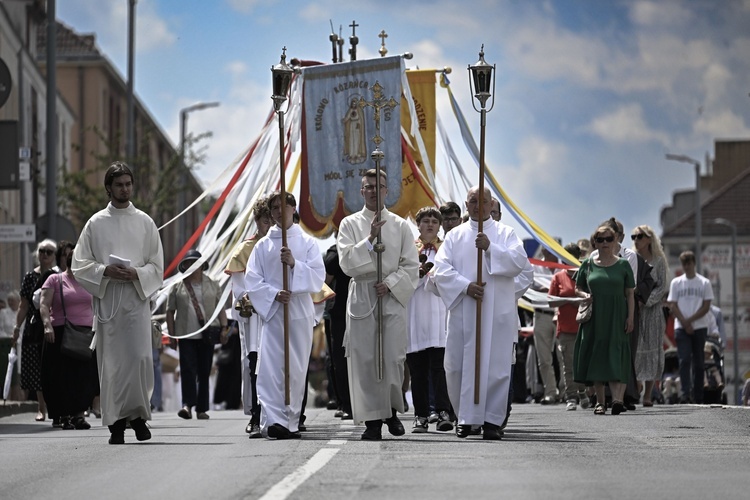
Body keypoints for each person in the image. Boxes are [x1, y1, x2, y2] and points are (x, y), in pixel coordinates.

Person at [72, 161, 164, 444]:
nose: (124, 189)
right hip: (109, 302)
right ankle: (116, 424)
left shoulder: (145, 222)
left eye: (128, 184)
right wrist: (104, 271)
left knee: (139, 359)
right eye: (119, 185)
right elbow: (79, 264)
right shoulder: (95, 223)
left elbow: (157, 266)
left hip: (136, 300)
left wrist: (136, 272)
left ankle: (138, 417)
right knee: (112, 363)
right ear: (108, 188)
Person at [432, 185, 532, 440]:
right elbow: (440, 269)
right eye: (473, 201)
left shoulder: (505, 233)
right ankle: (465, 418)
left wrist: (490, 248)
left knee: (496, 366)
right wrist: (465, 287)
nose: (478, 205)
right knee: (455, 366)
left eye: (483, 201)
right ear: (466, 205)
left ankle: (491, 421)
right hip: (464, 308)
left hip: (495, 312)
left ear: (491, 205)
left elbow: (519, 262)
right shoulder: (455, 236)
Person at [337, 169, 419, 441]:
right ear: (362, 191)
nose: (373, 190)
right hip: (363, 292)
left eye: (379, 186)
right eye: (368, 186)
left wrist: (393, 283)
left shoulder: (401, 226)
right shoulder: (349, 224)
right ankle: (372, 420)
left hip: (391, 294)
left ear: (387, 190)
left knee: (393, 356)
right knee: (366, 358)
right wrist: (370, 239)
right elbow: (346, 263)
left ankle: (392, 411)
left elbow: (411, 265)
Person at [245, 191, 325, 439]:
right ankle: (273, 419)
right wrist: (272, 294)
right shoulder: (262, 246)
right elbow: (252, 280)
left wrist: (294, 264)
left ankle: (290, 420)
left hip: (298, 312)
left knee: (296, 367)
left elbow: (317, 278)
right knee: (271, 368)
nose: (280, 211)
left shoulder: (308, 243)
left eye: (284, 206)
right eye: (274, 208)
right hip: (274, 314)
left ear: (293, 208)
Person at [573, 224, 635, 415]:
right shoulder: (589, 263)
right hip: (596, 315)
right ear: (595, 243)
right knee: (598, 355)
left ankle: (617, 399)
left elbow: (630, 294)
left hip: (617, 314)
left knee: (617, 354)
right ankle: (600, 402)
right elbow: (578, 286)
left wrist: (630, 317)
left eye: (609, 239)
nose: (605, 243)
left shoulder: (623, 264)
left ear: (615, 240)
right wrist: (584, 295)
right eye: (600, 240)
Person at [224, 196, 272, 437]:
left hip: (276, 315)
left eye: (273, 221)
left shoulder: (282, 246)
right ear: (257, 221)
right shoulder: (245, 250)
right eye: (265, 222)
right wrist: (252, 299)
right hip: (255, 320)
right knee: (255, 366)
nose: (269, 226)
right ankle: (256, 415)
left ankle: (278, 414)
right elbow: (239, 288)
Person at [39, 242, 98, 430]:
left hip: (85, 333)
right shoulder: (55, 280)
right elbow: (43, 304)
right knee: (62, 377)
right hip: (61, 333)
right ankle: (63, 414)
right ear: (70, 263)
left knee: (84, 376)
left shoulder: (89, 282)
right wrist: (47, 326)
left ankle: (79, 415)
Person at [167, 249, 229, 421]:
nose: (192, 266)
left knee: (204, 370)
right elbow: (170, 312)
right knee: (187, 370)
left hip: (208, 334)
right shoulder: (177, 287)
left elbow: (220, 308)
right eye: (188, 263)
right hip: (186, 334)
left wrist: (224, 328)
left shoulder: (212, 284)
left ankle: (201, 408)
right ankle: (187, 405)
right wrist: (172, 336)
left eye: (195, 263)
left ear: (202, 266)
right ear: (184, 266)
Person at [406, 207, 453, 433]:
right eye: (426, 220)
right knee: (418, 369)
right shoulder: (408, 250)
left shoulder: (446, 249)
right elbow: (401, 278)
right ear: (418, 224)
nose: (431, 224)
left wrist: (435, 276)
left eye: (435, 221)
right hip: (415, 314)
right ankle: (421, 415)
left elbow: (451, 276)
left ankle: (444, 411)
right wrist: (418, 273)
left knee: (440, 366)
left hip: (440, 314)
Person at [13, 239, 57, 421]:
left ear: (54, 256)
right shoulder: (30, 277)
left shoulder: (58, 276)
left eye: (48, 251)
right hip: (33, 326)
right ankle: (41, 408)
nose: (44, 255)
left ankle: (56, 407)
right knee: (36, 369)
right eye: (41, 251)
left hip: (54, 325)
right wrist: (16, 327)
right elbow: (23, 305)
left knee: (53, 369)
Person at [667, 251, 713, 404]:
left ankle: (698, 394)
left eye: (689, 263)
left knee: (699, 362)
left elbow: (706, 306)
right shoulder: (676, 283)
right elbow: (672, 304)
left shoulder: (704, 282)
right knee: (684, 359)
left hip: (699, 326)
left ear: (694, 263)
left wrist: (691, 321)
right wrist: (684, 322)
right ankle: (685, 393)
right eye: (684, 263)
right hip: (681, 327)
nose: (687, 266)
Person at [547, 243, 589, 410]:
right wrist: (569, 301)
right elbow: (550, 301)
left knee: (583, 362)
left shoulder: (584, 275)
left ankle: (583, 391)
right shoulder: (558, 277)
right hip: (565, 327)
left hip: (583, 325)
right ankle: (571, 396)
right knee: (569, 363)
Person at [631, 225, 669, 407]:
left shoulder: (659, 261)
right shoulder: (631, 260)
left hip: (652, 310)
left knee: (652, 348)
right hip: (634, 309)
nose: (636, 240)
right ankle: (634, 385)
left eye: (640, 236)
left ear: (648, 239)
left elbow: (662, 287)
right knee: (636, 348)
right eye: (634, 237)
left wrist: (645, 300)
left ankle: (648, 394)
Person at [323, 238, 353, 421]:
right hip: (340, 313)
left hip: (365, 311)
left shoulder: (370, 245)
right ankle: (345, 403)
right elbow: (324, 282)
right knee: (340, 361)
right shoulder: (335, 253)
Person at [532, 246, 561, 405]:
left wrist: (547, 288)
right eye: (547, 250)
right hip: (542, 315)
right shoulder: (535, 266)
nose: (551, 253)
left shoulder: (563, 267)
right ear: (542, 251)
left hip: (560, 315)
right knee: (544, 358)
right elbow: (531, 287)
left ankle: (566, 391)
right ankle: (550, 391)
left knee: (563, 355)